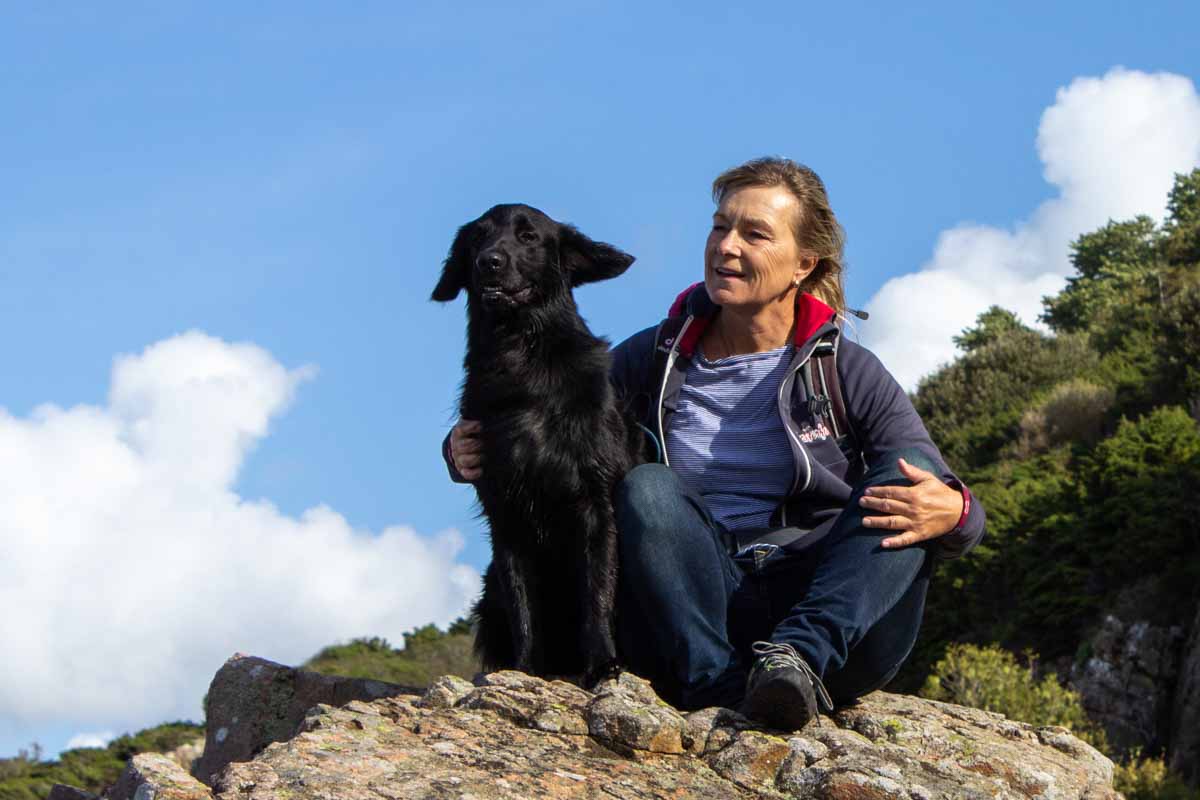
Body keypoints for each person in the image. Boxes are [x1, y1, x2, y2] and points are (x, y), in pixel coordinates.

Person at [445, 157, 985, 731]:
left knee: (911, 472)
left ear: (804, 264)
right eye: (720, 226)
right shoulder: (650, 358)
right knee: (648, 489)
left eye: (754, 234)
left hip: (823, 608)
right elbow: (538, 414)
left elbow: (955, 504)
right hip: (694, 611)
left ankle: (797, 660)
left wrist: (956, 512)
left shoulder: (847, 370)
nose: (726, 246)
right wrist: (461, 450)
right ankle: (717, 684)